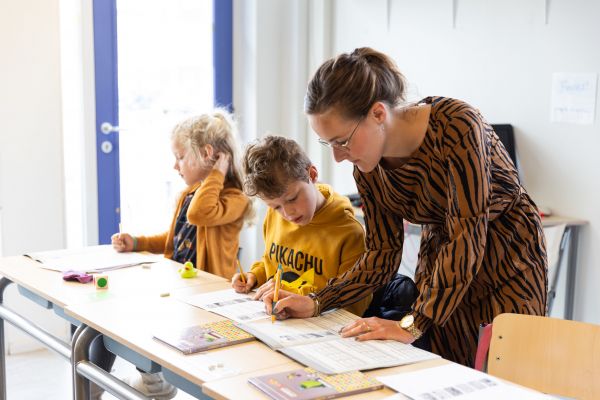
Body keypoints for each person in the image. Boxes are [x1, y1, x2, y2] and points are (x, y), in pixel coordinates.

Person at [261, 47, 547, 367]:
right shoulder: (367, 166)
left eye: (342, 141)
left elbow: (466, 237)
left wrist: (412, 324)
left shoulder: (458, 126)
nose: (337, 157)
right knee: (441, 370)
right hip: (442, 266)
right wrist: (317, 302)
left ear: (378, 114)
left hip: (506, 261)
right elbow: (381, 254)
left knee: (502, 371)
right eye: (328, 144)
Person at [103, 110, 252, 399]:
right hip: (181, 286)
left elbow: (200, 214)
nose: (175, 165)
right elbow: (173, 240)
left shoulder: (234, 198)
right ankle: (151, 382)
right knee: (138, 320)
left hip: (211, 297)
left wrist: (217, 174)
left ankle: (161, 385)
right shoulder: (188, 194)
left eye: (180, 156)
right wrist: (136, 241)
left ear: (207, 154)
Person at [232, 135, 369, 316]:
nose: (287, 213)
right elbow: (271, 263)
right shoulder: (274, 217)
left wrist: (296, 294)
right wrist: (255, 276)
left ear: (311, 174)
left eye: (292, 199)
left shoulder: (349, 233)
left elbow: (355, 304)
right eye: (276, 206)